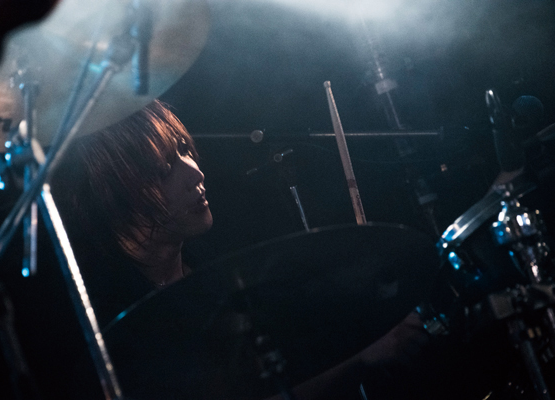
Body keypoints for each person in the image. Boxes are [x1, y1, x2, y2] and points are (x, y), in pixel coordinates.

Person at [51, 100, 428, 399]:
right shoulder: (106, 322)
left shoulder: (224, 272)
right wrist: (359, 356)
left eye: (183, 150)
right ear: (115, 199)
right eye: (164, 169)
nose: (195, 172)